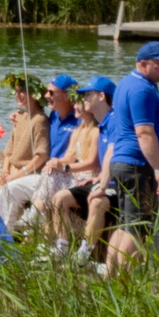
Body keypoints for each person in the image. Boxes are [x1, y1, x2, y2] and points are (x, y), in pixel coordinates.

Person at [102, 42, 159, 275]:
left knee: (124, 224)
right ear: (142, 63)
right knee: (138, 228)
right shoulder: (142, 90)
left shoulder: (128, 83)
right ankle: (123, 283)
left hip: (123, 163)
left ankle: (110, 278)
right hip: (137, 164)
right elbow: (144, 132)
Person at [47, 76, 115, 258]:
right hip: (100, 179)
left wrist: (101, 183)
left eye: (87, 95)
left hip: (117, 185)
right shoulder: (103, 125)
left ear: (101, 96)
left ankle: (83, 256)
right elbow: (104, 161)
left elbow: (112, 156)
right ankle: (62, 248)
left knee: (97, 201)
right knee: (59, 198)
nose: (82, 99)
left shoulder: (115, 122)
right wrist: (98, 177)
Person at [0, 75, 55, 234]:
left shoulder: (40, 120)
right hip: (9, 170)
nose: (18, 95)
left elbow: (41, 156)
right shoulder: (20, 117)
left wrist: (14, 176)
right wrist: (4, 171)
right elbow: (9, 151)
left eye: (23, 91)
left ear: (35, 94)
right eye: (16, 91)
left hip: (26, 172)